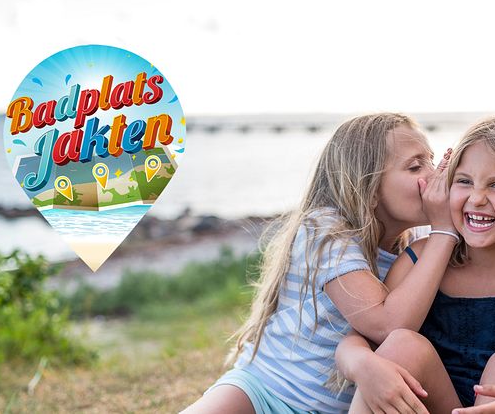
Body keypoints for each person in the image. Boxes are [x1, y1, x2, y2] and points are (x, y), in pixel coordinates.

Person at [181, 113, 458, 414]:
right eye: (416, 166)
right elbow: (384, 324)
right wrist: (444, 231)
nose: (433, 176)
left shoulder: (416, 243)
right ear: (367, 186)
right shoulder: (326, 230)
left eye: (431, 161)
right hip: (263, 390)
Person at [337, 117, 495, 413]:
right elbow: (354, 343)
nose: (476, 198)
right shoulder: (420, 259)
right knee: (402, 344)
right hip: (438, 401)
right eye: (464, 181)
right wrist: (362, 366)